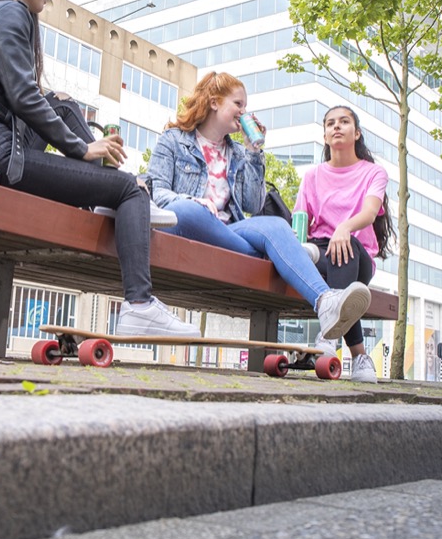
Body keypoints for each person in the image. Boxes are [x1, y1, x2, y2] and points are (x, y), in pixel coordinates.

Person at [0, 0, 194, 338]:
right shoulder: (11, 11)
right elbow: (22, 97)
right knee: (128, 189)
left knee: (59, 100)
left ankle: (104, 194)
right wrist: (81, 146)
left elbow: (9, 101)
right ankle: (140, 303)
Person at [148, 71, 372, 346]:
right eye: (238, 104)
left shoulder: (238, 153)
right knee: (191, 210)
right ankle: (280, 257)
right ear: (215, 102)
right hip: (187, 221)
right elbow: (156, 193)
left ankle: (325, 301)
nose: (244, 112)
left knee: (277, 226)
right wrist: (193, 201)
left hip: (228, 231)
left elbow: (253, 205)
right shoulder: (173, 140)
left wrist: (254, 152)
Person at [294, 105, 394, 383]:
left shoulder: (373, 173)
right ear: (325, 136)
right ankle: (360, 357)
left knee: (344, 248)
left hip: (357, 254)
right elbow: (300, 220)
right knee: (341, 287)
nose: (336, 127)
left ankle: (327, 336)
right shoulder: (312, 176)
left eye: (344, 122)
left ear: (357, 133)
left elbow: (370, 213)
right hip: (321, 252)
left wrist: (344, 227)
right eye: (330, 124)